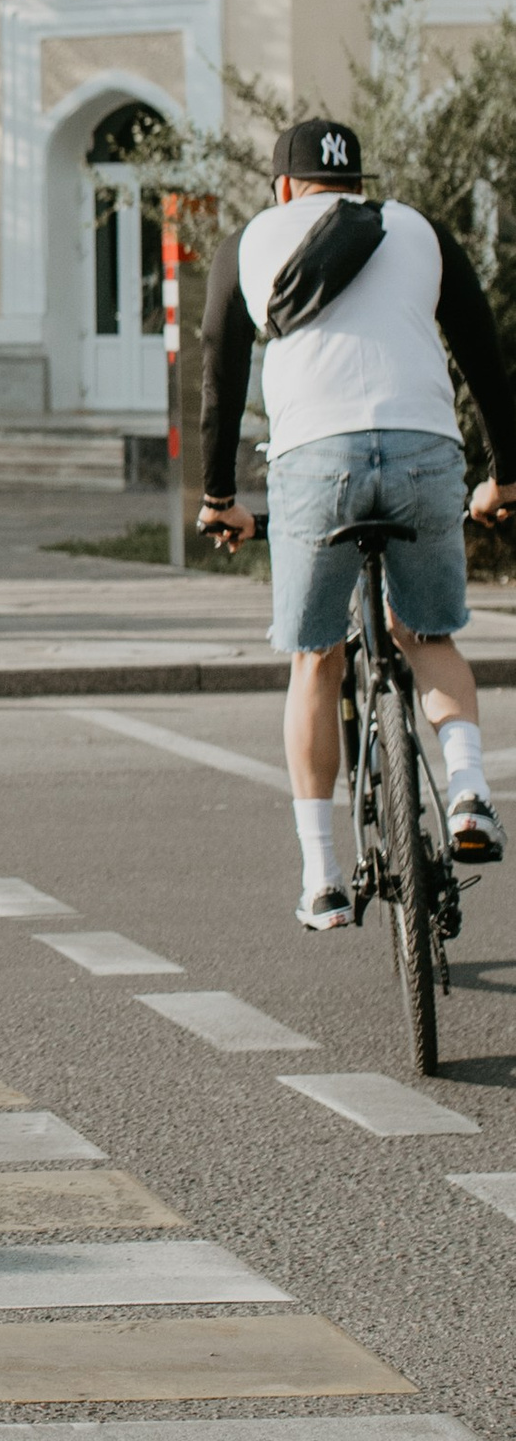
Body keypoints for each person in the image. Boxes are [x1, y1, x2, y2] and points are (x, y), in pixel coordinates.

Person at [198, 113, 515, 927]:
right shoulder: (420, 231)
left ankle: (322, 876)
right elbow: (484, 359)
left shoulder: (254, 239)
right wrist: (504, 479)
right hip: (423, 452)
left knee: (317, 658)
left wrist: (216, 497)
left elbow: (221, 368)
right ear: (358, 183)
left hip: (317, 460)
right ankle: (472, 792)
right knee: (429, 634)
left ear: (284, 187)